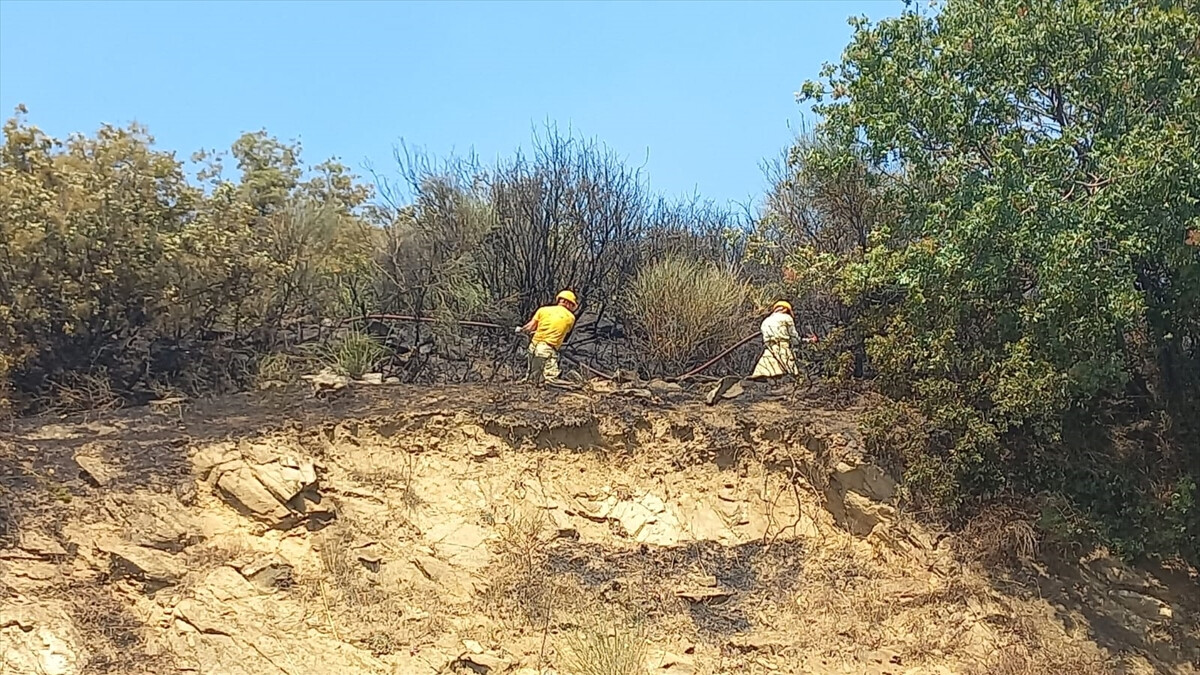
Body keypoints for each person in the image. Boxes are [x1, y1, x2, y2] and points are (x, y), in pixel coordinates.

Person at [515, 290, 578, 385]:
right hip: (547, 349)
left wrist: (521, 330)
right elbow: (563, 330)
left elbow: (529, 327)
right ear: (567, 303)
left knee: (533, 378)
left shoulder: (543, 310)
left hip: (533, 347)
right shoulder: (570, 317)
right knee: (551, 379)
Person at [749, 301, 816, 381]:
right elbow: (794, 338)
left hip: (770, 349)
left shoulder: (765, 321)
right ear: (785, 309)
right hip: (783, 349)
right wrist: (808, 341)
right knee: (789, 373)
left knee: (764, 370)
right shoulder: (787, 318)